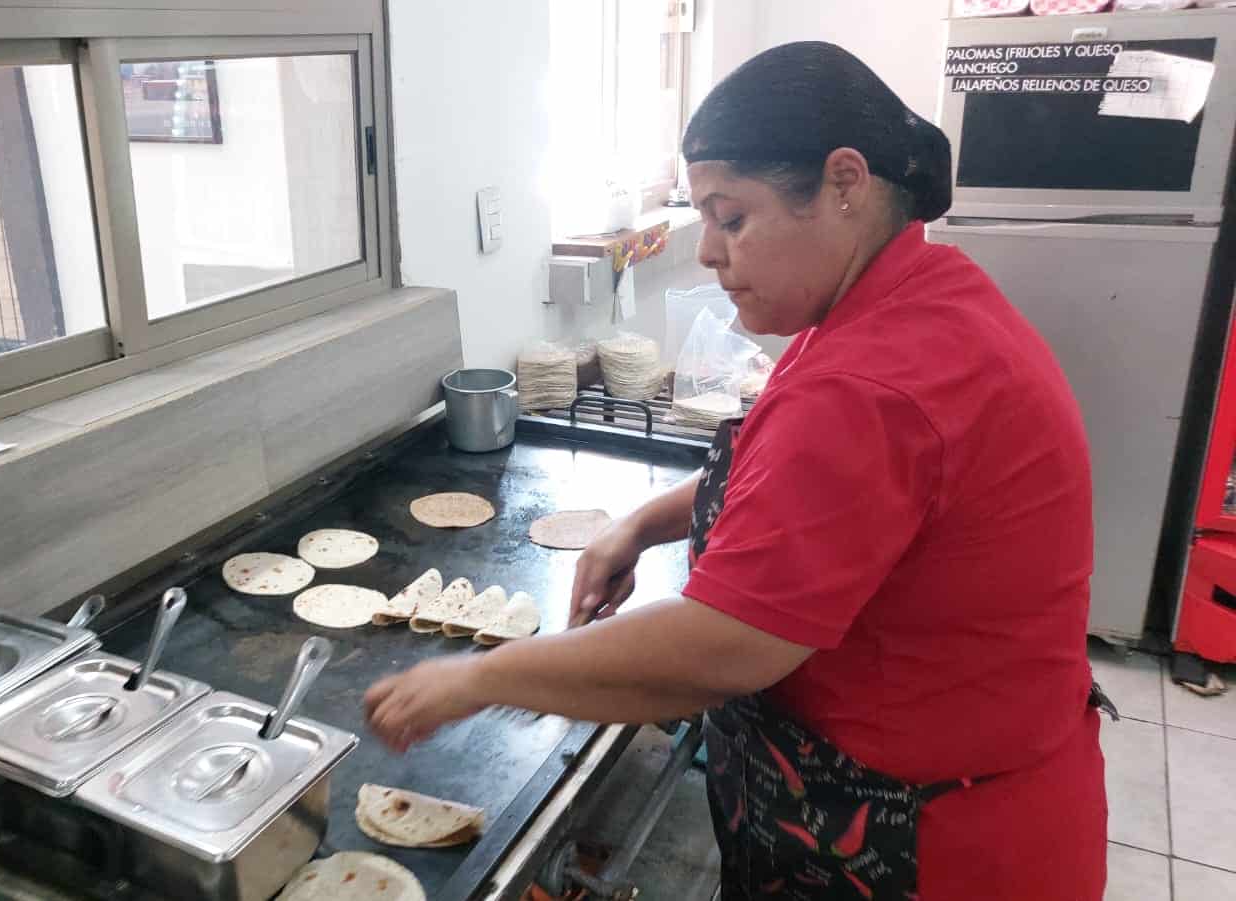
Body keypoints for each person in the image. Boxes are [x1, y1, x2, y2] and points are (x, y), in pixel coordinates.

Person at [365, 42, 1108, 900]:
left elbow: (724, 646)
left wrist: (477, 678)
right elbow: (791, 476)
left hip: (932, 848)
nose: (710, 253)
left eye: (732, 218)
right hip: (951, 793)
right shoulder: (899, 299)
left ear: (844, 181)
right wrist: (639, 524)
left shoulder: (874, 383)